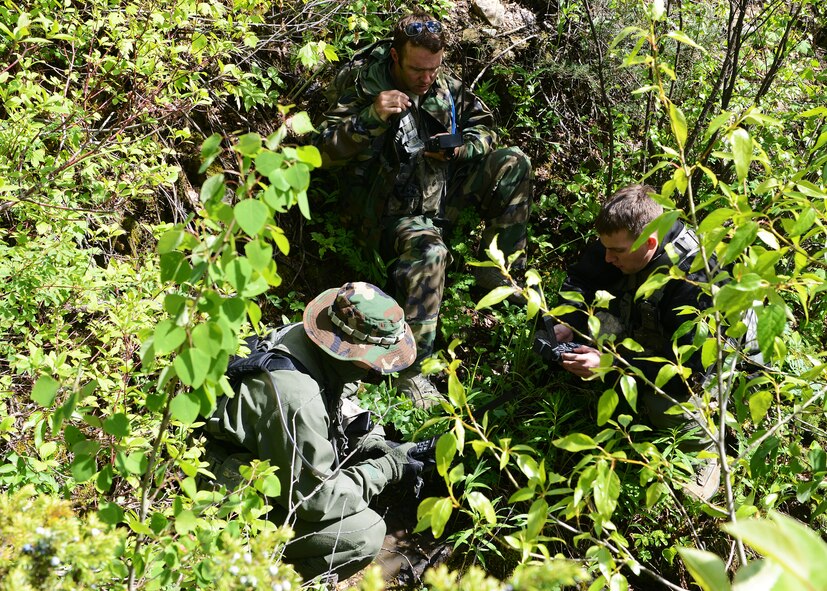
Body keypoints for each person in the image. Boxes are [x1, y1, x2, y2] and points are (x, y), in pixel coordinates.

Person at [313, 10, 533, 405]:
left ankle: (500, 279)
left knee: (512, 161)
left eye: (434, 68)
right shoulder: (363, 84)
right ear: (396, 56)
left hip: (439, 189)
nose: (426, 78)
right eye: (418, 69)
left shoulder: (442, 86)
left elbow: (485, 127)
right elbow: (321, 155)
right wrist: (371, 117)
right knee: (431, 251)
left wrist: (462, 148)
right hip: (385, 209)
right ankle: (412, 368)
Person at [202, 282, 425, 582]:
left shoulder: (306, 340)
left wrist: (371, 442)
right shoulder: (298, 399)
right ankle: (263, 579)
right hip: (219, 489)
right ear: (351, 350)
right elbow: (315, 501)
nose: (379, 372)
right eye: (375, 360)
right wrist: (387, 468)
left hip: (241, 457)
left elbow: (337, 399)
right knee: (365, 534)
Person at [550, 184, 721, 500]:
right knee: (571, 327)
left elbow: (688, 372)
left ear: (650, 242)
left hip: (707, 360)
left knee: (663, 403)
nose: (607, 257)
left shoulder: (694, 280)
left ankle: (704, 448)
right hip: (655, 324)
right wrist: (570, 321)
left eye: (616, 252)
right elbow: (582, 279)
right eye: (605, 248)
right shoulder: (622, 235)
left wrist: (610, 364)